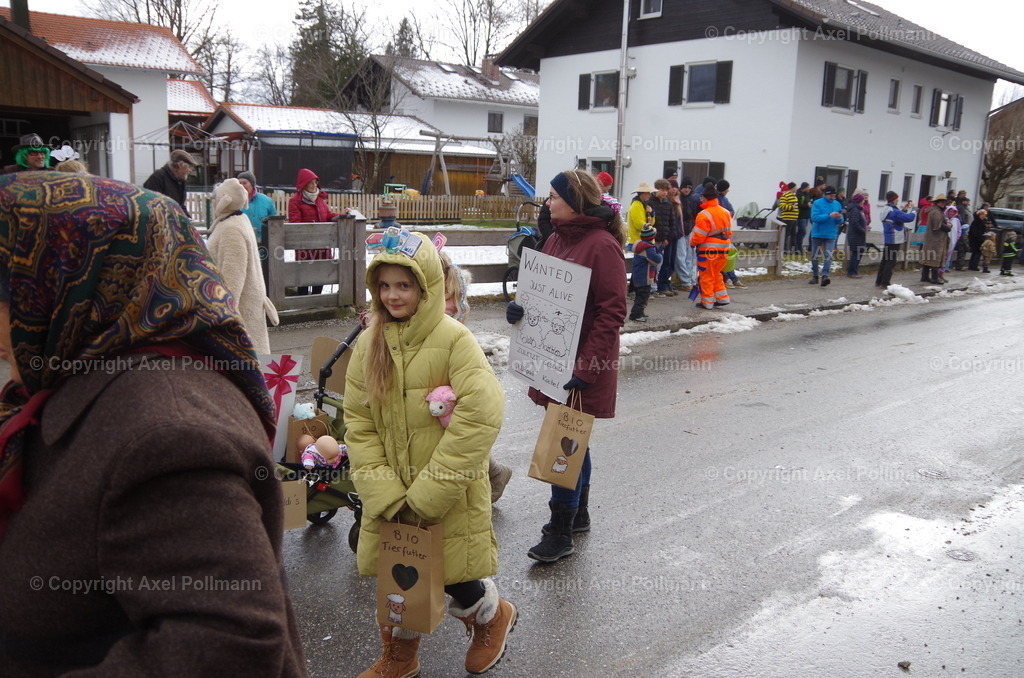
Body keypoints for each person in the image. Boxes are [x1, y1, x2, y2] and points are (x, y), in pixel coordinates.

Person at [0, 171, 305, 676]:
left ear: (74, 280)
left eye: (10, 293)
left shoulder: (168, 433)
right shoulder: (85, 362)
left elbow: (232, 643)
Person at [344, 233, 515, 677]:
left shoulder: (454, 340)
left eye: (403, 285)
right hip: (392, 491)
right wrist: (384, 489)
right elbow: (358, 422)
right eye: (384, 286)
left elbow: (480, 416)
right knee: (398, 571)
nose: (392, 295)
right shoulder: (369, 343)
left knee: (451, 571)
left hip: (444, 490)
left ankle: (490, 615)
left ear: (427, 288)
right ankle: (400, 653)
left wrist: (427, 494)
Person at [506, 169, 627, 563]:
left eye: (553, 196)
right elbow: (542, 296)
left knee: (563, 440)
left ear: (574, 200)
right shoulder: (556, 239)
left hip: (581, 364)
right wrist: (520, 311)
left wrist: (587, 368)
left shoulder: (602, 246)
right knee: (575, 436)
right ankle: (579, 515)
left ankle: (560, 531)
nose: (546, 202)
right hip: (551, 358)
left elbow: (613, 313)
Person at [438, 249, 513, 503]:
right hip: (437, 372)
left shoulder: (448, 308)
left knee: (456, 434)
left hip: (448, 376)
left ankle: (493, 474)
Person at [205, 178, 277, 353]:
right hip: (246, 306)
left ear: (224, 201)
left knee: (245, 362)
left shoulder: (231, 229)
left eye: (216, 198)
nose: (213, 202)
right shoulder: (238, 220)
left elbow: (233, 277)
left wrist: (224, 316)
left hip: (241, 312)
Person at [288, 168, 345, 295]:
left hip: (323, 245)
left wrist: (342, 215)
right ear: (304, 184)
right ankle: (303, 305)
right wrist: (311, 229)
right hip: (305, 247)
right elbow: (295, 223)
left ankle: (317, 300)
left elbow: (328, 215)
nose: (315, 185)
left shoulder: (320, 200)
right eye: (311, 182)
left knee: (321, 275)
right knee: (304, 276)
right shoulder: (295, 201)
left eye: (316, 182)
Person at [690, 181, 733, 309]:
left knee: (706, 275)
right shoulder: (725, 212)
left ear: (705, 198)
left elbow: (698, 236)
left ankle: (707, 302)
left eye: (701, 197)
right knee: (717, 273)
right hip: (724, 248)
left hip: (708, 249)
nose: (700, 199)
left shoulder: (703, 214)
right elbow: (729, 232)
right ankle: (722, 298)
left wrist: (691, 242)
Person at [875, 191, 916, 288]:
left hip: (888, 238)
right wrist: (914, 209)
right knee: (891, 261)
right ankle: (885, 283)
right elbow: (909, 218)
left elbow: (898, 218)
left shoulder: (886, 209)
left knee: (885, 260)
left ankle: (879, 281)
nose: (898, 200)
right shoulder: (894, 211)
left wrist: (904, 210)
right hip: (895, 238)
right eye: (897, 199)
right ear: (893, 199)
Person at [142, 149, 196, 218]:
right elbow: (152, 205)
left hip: (172, 221)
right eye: (189, 167)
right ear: (180, 165)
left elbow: (180, 205)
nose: (190, 170)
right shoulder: (157, 178)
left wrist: (187, 219)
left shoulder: (181, 180)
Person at [808, 186, 844, 286]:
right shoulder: (817, 203)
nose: (833, 197)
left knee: (828, 256)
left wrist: (839, 218)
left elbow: (840, 220)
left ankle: (825, 276)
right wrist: (829, 216)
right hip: (818, 233)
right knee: (815, 256)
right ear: (826, 194)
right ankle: (815, 276)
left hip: (831, 233)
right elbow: (814, 217)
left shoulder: (837, 204)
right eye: (831, 195)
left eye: (834, 195)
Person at [648, 178, 678, 296]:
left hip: (663, 239)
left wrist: (668, 238)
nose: (665, 192)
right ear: (656, 189)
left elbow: (672, 222)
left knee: (659, 264)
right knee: (651, 264)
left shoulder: (668, 204)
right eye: (662, 190)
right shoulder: (650, 202)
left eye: (666, 190)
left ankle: (656, 287)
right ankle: (651, 287)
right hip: (651, 238)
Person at [629, 224, 662, 322]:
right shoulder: (648, 248)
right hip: (645, 277)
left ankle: (640, 312)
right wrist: (659, 254)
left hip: (638, 276)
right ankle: (636, 314)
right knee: (643, 297)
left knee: (640, 295)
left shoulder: (640, 245)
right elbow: (656, 260)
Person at [237, 170, 278, 242]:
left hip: (264, 242)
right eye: (239, 183)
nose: (242, 186)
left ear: (252, 184)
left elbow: (275, 223)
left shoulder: (267, 201)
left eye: (244, 183)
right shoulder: (235, 203)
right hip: (242, 241)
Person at [919, 194, 951, 284]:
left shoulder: (936, 211)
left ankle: (924, 277)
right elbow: (938, 225)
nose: (943, 204)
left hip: (933, 239)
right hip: (936, 239)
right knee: (935, 258)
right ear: (937, 203)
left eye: (944, 202)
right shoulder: (936, 212)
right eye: (941, 202)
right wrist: (948, 227)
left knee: (928, 258)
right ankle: (934, 278)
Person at [673, 176, 697, 291]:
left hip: (689, 231)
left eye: (689, 187)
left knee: (689, 257)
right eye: (685, 187)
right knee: (680, 256)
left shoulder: (693, 200)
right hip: (680, 232)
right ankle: (685, 281)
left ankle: (688, 279)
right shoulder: (677, 199)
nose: (687, 189)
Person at [844, 193, 868, 278]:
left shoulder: (856, 209)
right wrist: (862, 230)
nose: (864, 201)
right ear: (859, 201)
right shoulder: (855, 210)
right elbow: (855, 223)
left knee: (857, 252)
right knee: (856, 253)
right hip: (856, 235)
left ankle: (854, 270)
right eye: (863, 200)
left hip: (857, 234)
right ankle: (852, 272)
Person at [626, 181, 655, 249]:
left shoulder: (644, 205)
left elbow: (651, 223)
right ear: (643, 193)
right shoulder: (636, 205)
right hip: (636, 242)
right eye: (648, 193)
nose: (649, 195)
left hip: (642, 241)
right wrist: (652, 230)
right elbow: (639, 225)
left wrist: (652, 214)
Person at [967, 204, 992, 271]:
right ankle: (973, 266)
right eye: (983, 214)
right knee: (976, 252)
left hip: (979, 239)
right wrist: (982, 236)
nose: (984, 216)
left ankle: (973, 265)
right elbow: (976, 232)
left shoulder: (981, 221)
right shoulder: (976, 222)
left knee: (976, 253)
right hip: (976, 240)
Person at [777, 182, 799, 254]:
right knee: (786, 234)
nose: (796, 188)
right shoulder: (785, 195)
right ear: (792, 188)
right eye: (796, 187)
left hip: (794, 218)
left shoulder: (794, 196)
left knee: (793, 234)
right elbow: (782, 206)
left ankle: (793, 249)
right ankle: (784, 249)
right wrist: (791, 207)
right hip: (787, 218)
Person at [795, 181, 812, 253]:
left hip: (806, 216)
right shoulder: (799, 195)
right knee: (802, 231)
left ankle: (799, 246)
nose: (809, 188)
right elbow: (799, 205)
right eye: (808, 187)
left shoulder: (807, 195)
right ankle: (798, 247)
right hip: (801, 216)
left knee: (802, 232)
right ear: (805, 187)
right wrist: (807, 205)